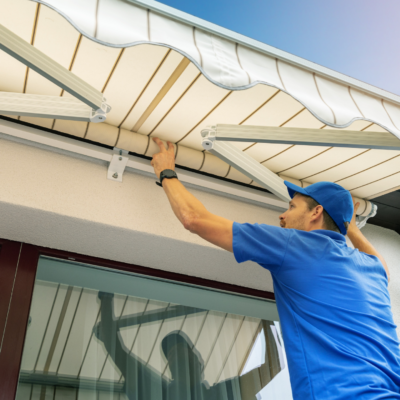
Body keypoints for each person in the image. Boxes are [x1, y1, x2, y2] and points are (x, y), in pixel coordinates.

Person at [150, 137, 400, 400]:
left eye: (291, 207)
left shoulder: (296, 245)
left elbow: (194, 219)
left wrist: (166, 173)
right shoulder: (372, 270)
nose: (282, 215)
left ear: (316, 212)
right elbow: (381, 263)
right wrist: (346, 225)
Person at [95, 292, 282, 400]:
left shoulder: (219, 395)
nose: (179, 360)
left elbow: (272, 368)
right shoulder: (159, 393)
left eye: (184, 355)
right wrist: (106, 295)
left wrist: (265, 311)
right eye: (174, 358)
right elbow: (115, 348)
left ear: (199, 362)